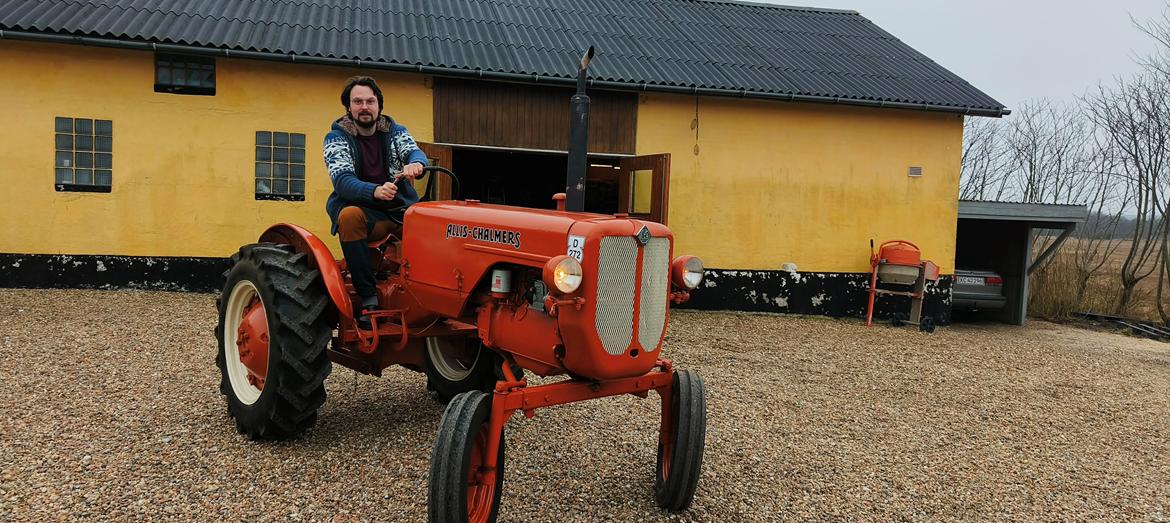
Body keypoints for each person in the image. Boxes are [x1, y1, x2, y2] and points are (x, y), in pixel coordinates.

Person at [323, 76, 427, 329]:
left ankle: (427, 298)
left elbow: (412, 150)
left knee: (433, 224)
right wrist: (374, 191)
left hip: (399, 210)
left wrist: (416, 163)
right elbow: (342, 180)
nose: (364, 107)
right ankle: (368, 298)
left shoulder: (395, 131)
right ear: (349, 107)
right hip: (367, 212)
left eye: (370, 101)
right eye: (357, 101)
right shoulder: (336, 138)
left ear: (379, 105)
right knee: (348, 217)